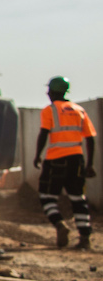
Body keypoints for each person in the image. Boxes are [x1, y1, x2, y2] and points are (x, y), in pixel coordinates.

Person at [33, 76, 96, 249]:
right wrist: (89, 164)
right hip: (77, 159)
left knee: (47, 196)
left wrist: (37, 155)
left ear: (53, 92)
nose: (47, 93)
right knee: (78, 198)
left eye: (49, 91)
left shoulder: (49, 110)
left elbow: (44, 134)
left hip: (55, 160)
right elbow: (90, 138)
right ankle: (85, 238)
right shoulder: (79, 110)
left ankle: (60, 224)